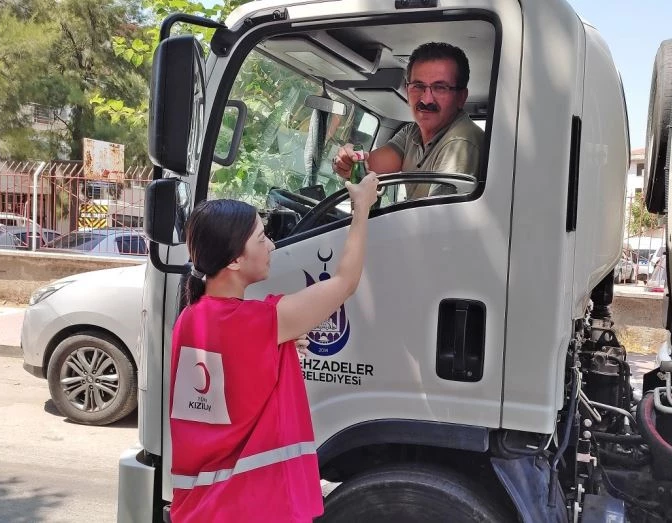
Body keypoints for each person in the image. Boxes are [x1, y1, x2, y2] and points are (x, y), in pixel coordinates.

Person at [167, 172, 379, 523]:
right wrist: (361, 209)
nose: (272, 246)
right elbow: (344, 282)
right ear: (234, 260)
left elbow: (234, 381)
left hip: (200, 507)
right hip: (246, 506)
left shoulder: (190, 319)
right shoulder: (258, 322)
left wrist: (276, 346)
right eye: (262, 238)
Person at [332, 42, 484, 199]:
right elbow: (366, 169)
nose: (426, 99)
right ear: (407, 90)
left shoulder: (460, 143)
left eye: (440, 88)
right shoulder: (412, 132)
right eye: (418, 86)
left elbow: (438, 219)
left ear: (461, 97)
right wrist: (348, 159)